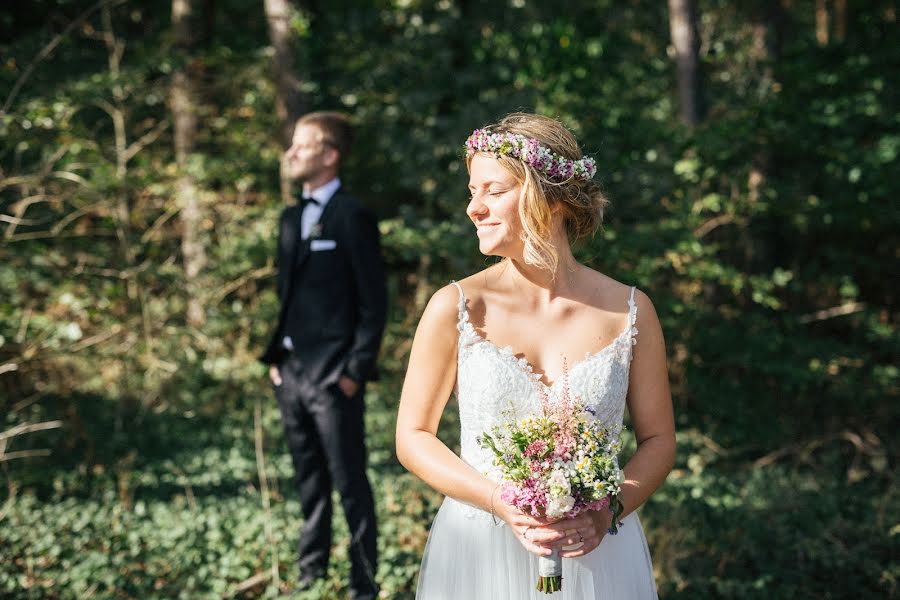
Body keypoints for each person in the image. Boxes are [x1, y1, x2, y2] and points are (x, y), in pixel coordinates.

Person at [396, 113, 675, 598]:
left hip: (599, 558)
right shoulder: (457, 307)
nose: (474, 209)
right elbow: (413, 435)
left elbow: (658, 440)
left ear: (553, 197)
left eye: (493, 190)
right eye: (471, 191)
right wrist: (497, 499)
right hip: (479, 553)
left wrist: (608, 511)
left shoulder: (631, 311)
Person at [260, 111, 386, 600]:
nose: (291, 153)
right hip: (290, 374)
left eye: (302, 145)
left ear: (330, 155)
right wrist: (277, 356)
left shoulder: (353, 216)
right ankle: (310, 577)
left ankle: (364, 585)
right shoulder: (290, 218)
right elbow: (286, 293)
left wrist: (354, 371)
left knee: (350, 481)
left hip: (335, 378)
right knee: (307, 481)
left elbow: (374, 303)